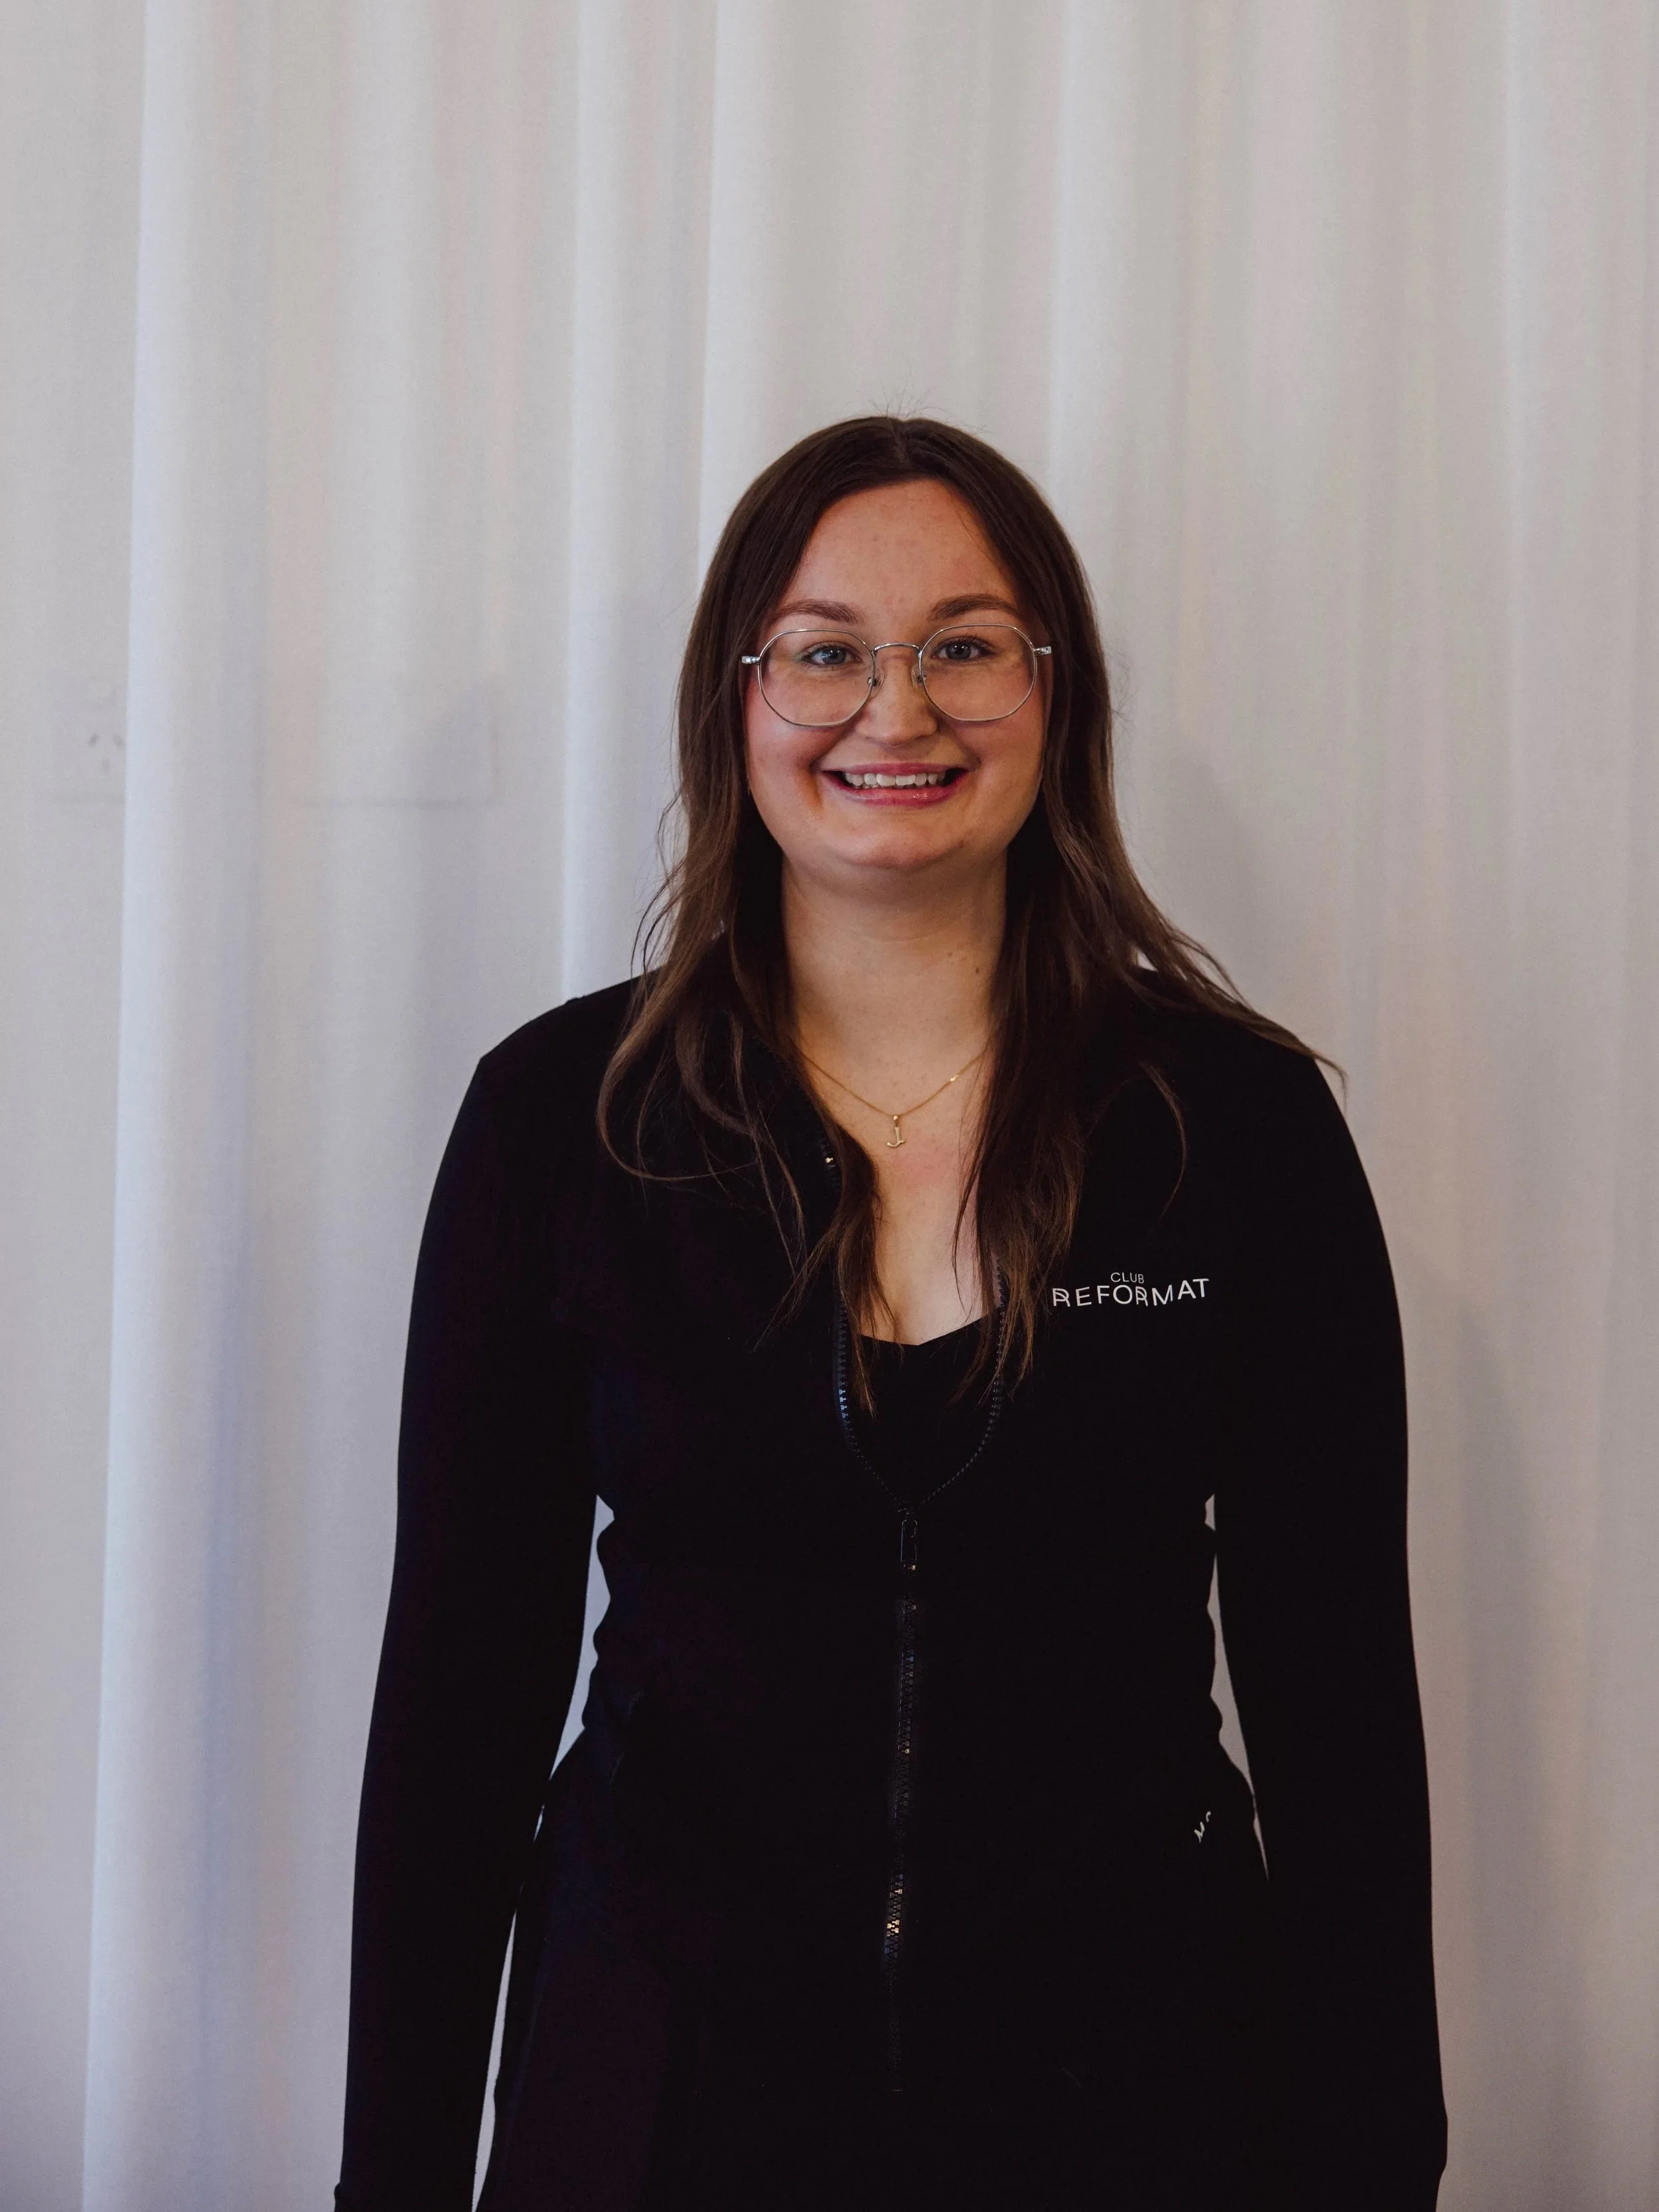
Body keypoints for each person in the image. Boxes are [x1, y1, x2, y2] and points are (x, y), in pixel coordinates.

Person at [334, 417, 1447, 2212]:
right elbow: (459, 1701)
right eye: (826, 648)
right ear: (736, 700)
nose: (896, 708)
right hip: (658, 2084)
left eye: (963, 644)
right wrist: (389, 2176)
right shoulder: (564, 1120)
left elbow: (1338, 1708)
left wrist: (1376, 2157)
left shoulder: (1232, 1133)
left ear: (1053, 693)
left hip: (1132, 2092)